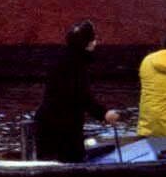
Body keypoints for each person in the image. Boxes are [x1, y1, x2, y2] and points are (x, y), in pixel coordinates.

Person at [33, 20, 120, 162]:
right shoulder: (76, 65)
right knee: (70, 162)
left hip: (49, 122)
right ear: (87, 43)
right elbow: (82, 96)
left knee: (50, 162)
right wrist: (104, 114)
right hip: (63, 127)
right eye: (93, 39)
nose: (96, 42)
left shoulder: (63, 59)